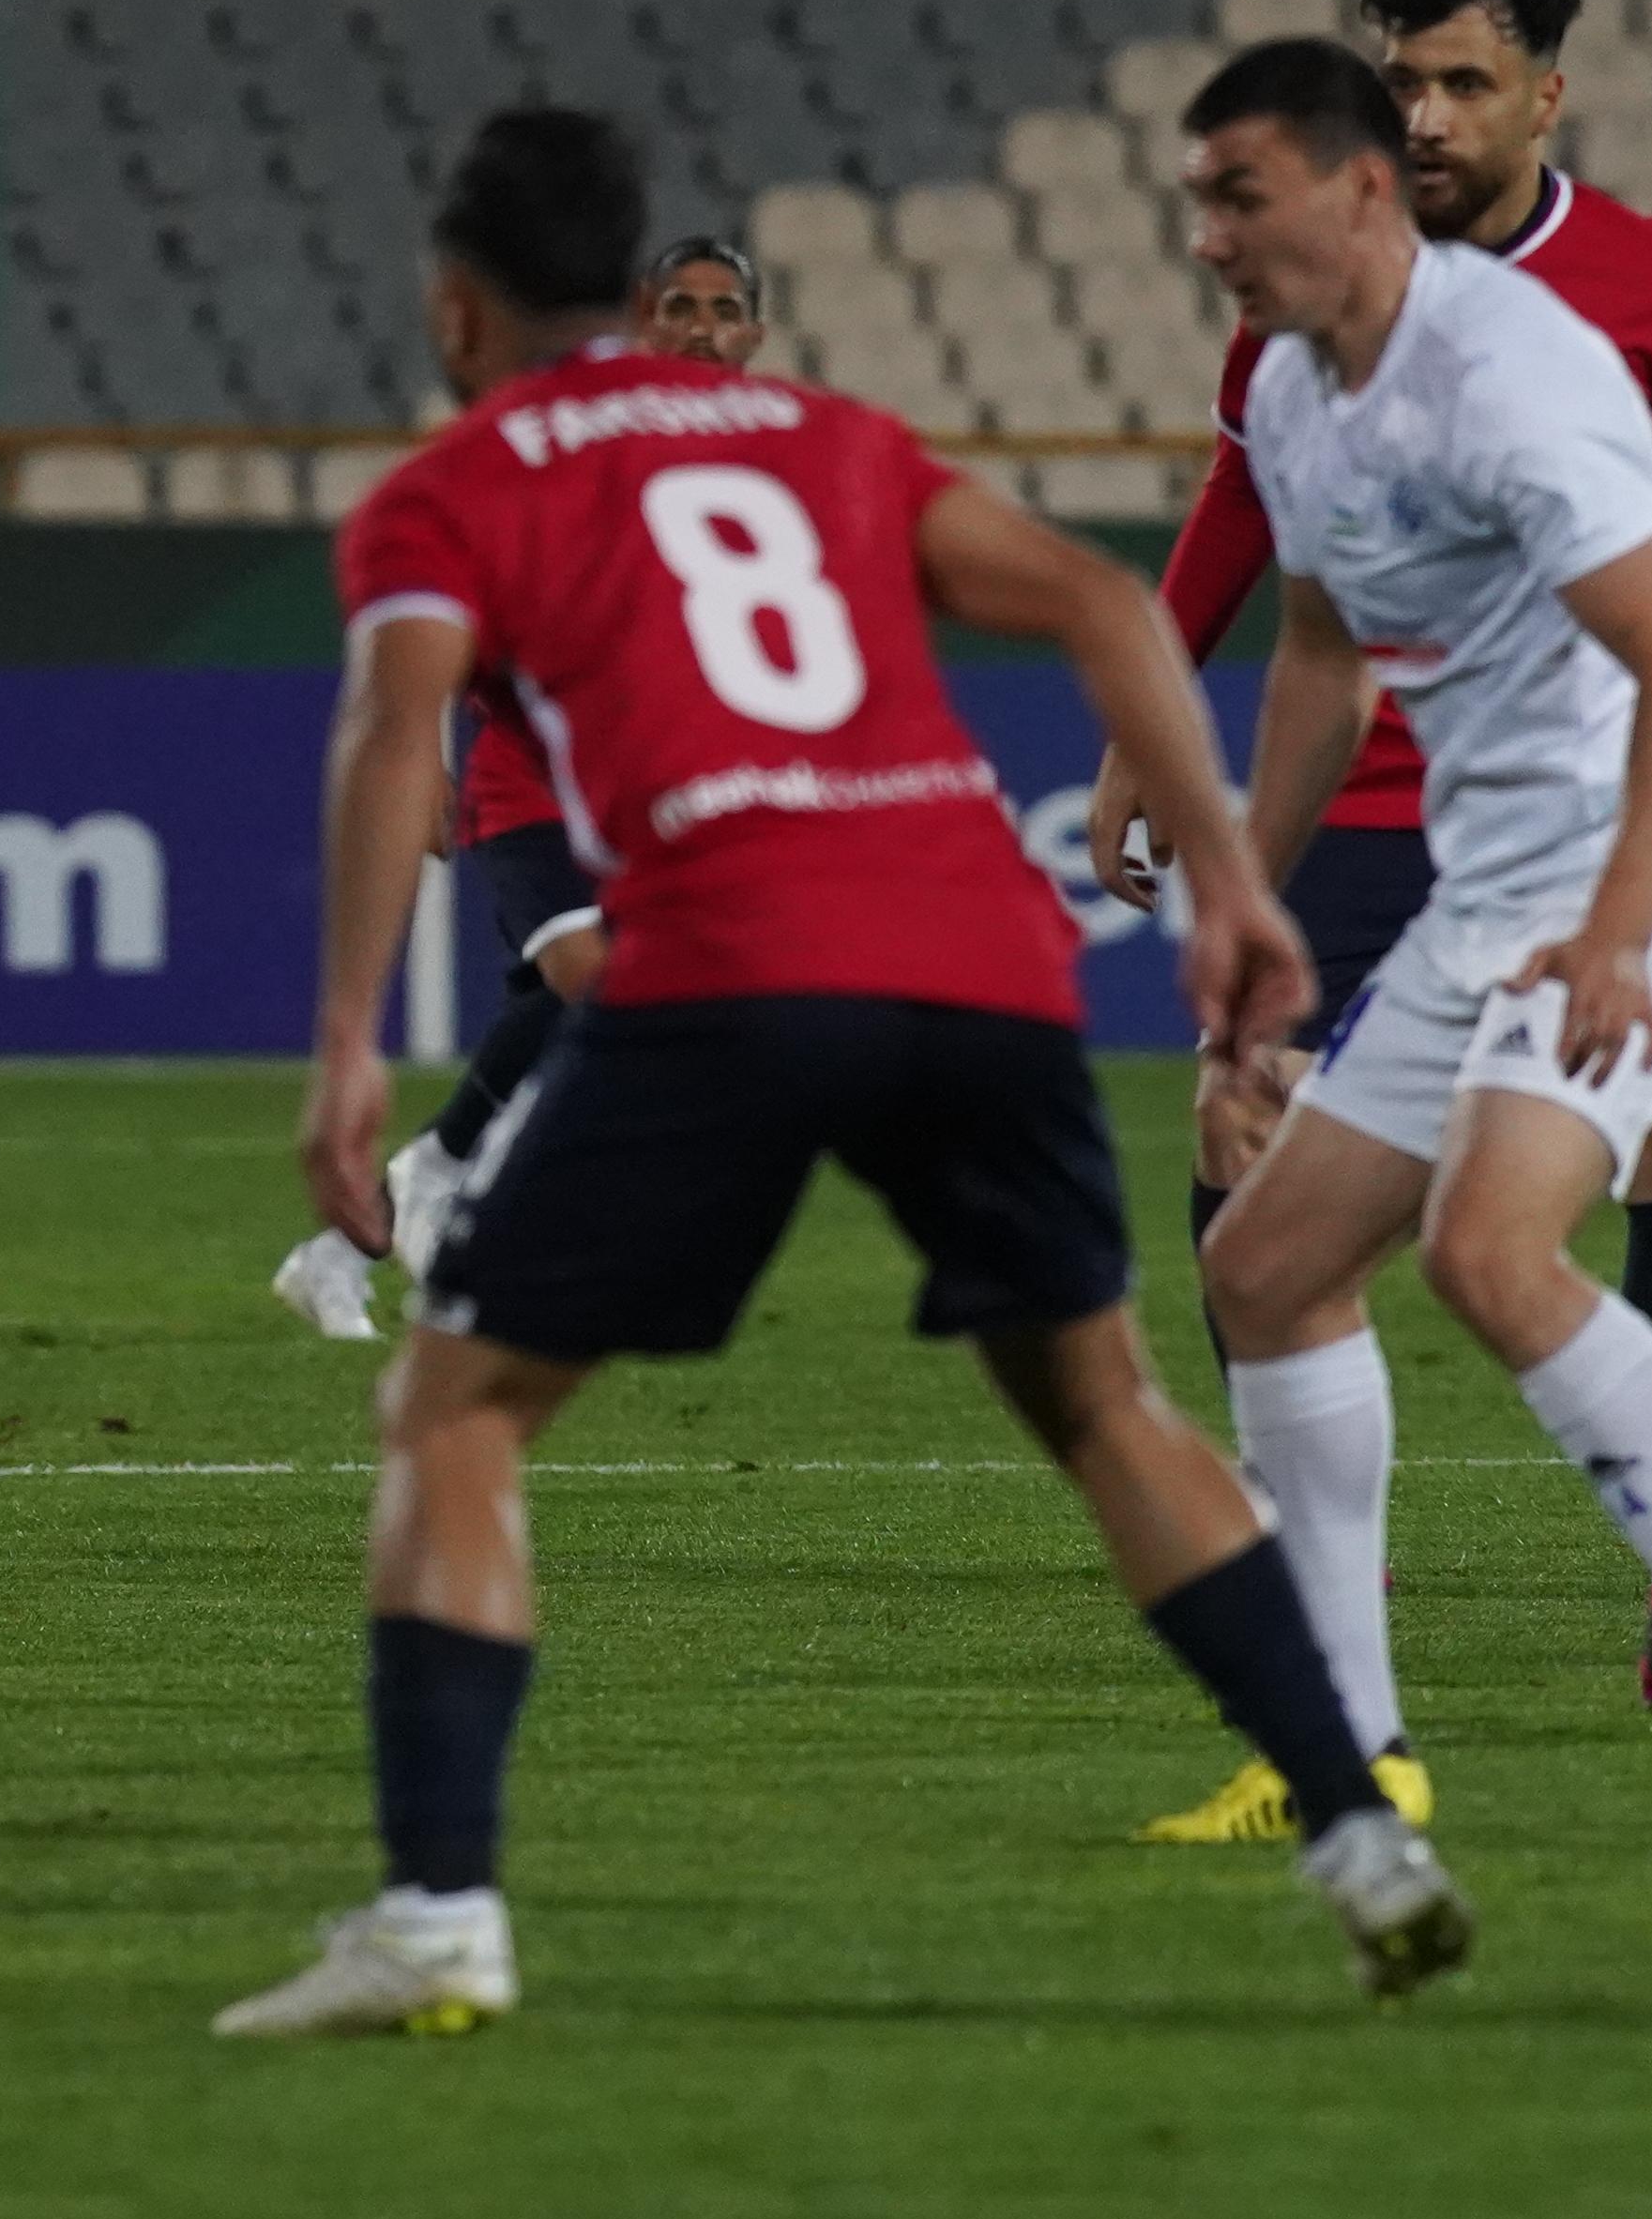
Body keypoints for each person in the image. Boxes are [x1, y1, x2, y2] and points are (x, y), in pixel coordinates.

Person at [222, 106, 1465, 2040]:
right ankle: (1362, 1833)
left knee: (455, 1412)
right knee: (1106, 1401)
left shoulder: (446, 492)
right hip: (978, 947)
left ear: (457, 308)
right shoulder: (821, 435)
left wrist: (344, 1049)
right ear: (634, 280)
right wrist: (1231, 883)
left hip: (729, 955)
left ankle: (439, 1914)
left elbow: (396, 742)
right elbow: (1106, 604)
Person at [1134, 42, 1652, 1848]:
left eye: (1241, 197)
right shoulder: (1293, 387)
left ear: (1355, 190)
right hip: (1494, 888)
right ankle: (1350, 1755)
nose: (1210, 236)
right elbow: (1321, 662)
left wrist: (1620, 938)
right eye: (1200, 202)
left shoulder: (1510, 377)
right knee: (1266, 1267)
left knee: (1485, 1246)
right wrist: (1249, 899)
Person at [275, 231, 765, 1340]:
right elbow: (461, 576)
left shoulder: (760, 463)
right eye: (679, 306)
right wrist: (424, 735)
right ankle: (452, 1179)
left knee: (591, 1001)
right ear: (640, 323)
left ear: (756, 334)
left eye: (723, 309)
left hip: (649, 785)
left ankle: (350, 1243)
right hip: (531, 775)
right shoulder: (575, 442)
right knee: (594, 977)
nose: (701, 328)